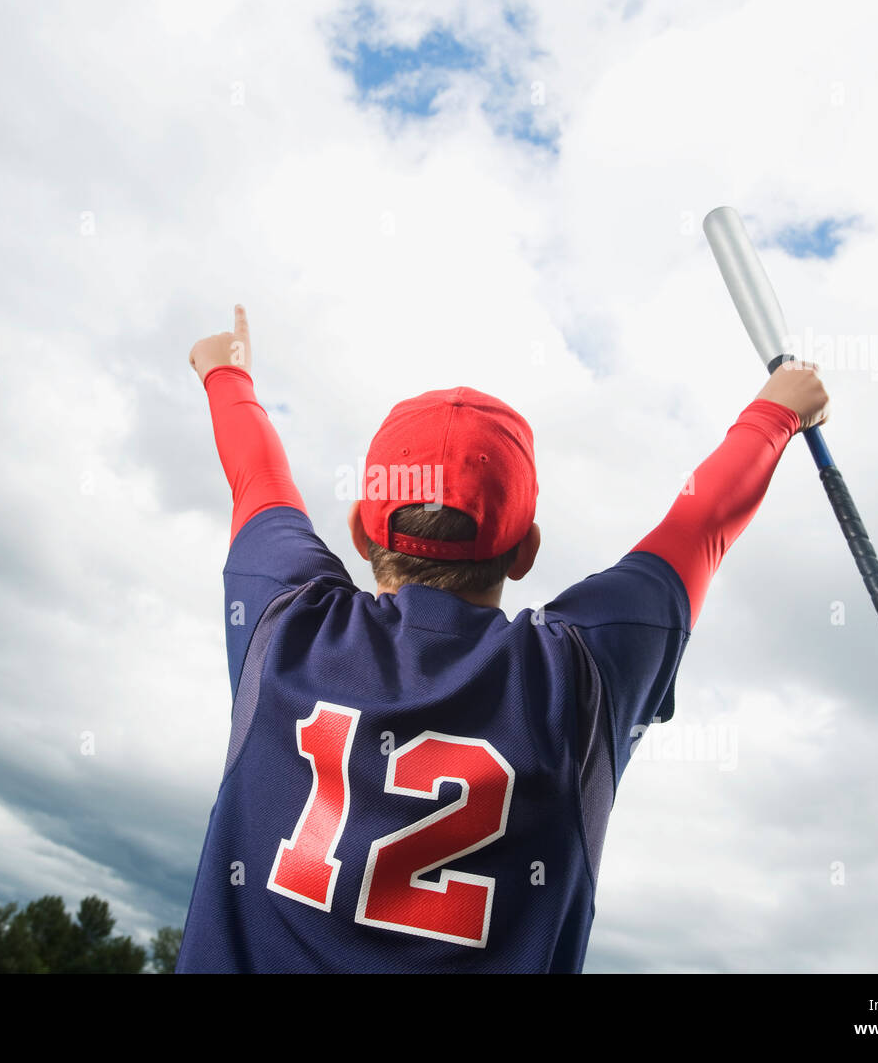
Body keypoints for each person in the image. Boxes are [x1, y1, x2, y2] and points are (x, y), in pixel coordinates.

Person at [176, 304, 828, 973]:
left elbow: (259, 477)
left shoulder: (288, 622)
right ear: (527, 551)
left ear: (361, 531)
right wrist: (777, 412)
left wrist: (227, 373)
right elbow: (700, 525)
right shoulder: (580, 673)